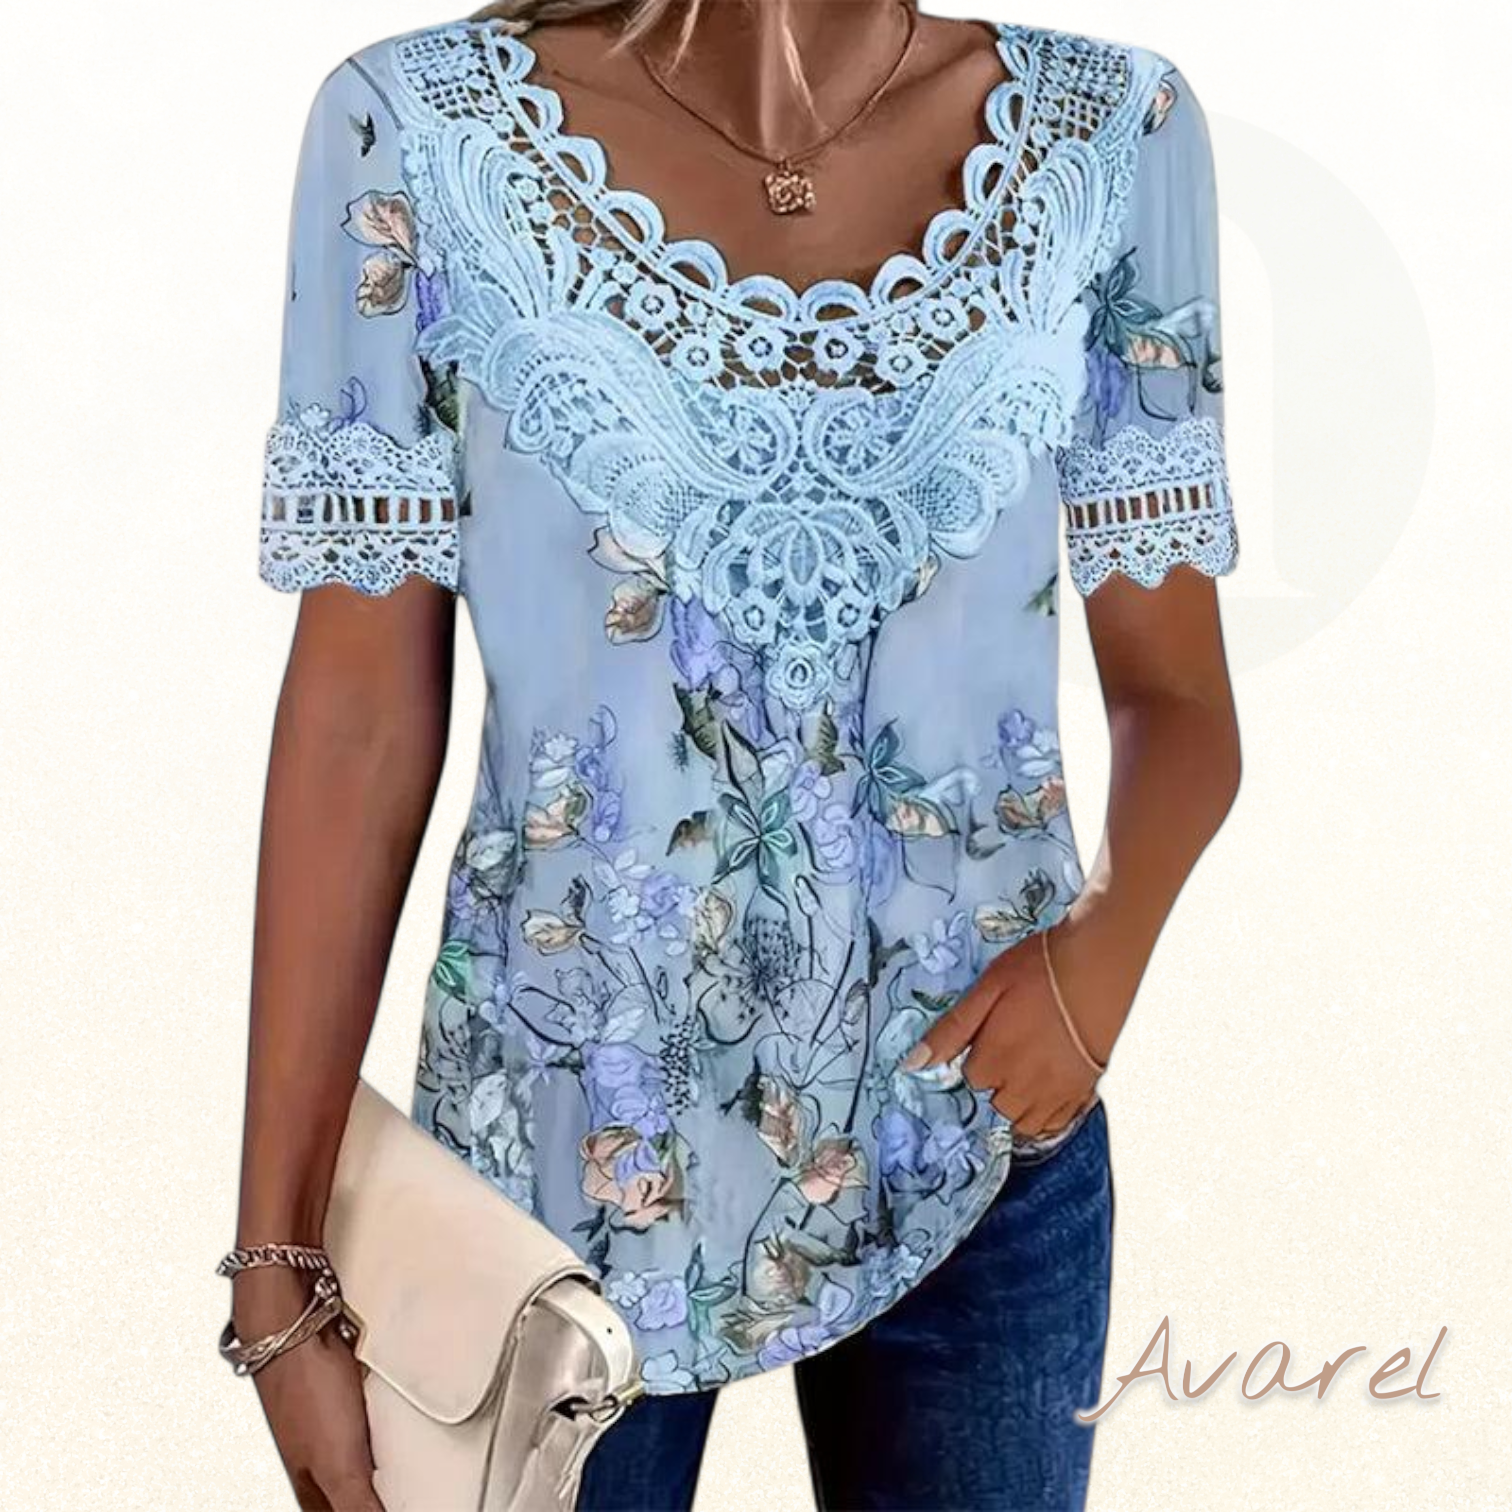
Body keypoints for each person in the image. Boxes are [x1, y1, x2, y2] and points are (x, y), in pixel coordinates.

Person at [226, 0, 1243, 1507]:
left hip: (979, 1141)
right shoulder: (414, 133)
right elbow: (357, 723)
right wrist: (277, 1256)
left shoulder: (1109, 137)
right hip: (553, 1175)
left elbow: (1182, 703)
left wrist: (1100, 961)